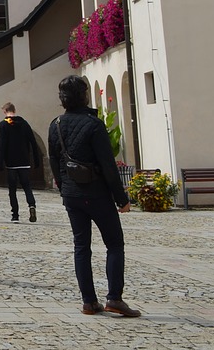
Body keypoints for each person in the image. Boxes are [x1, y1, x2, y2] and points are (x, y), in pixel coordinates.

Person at [48, 74, 141, 317]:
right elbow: (108, 166)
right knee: (114, 244)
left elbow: (54, 160)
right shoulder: (93, 125)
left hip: (71, 195)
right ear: (84, 96)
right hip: (96, 193)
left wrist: (63, 186)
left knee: (81, 246)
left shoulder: (55, 124)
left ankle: (89, 301)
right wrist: (121, 199)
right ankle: (114, 298)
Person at [0, 101, 42, 222]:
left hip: (11, 162)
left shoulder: (3, 125)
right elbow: (33, 141)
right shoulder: (24, 123)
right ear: (14, 110)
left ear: (5, 112)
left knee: (12, 190)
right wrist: (36, 160)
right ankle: (31, 205)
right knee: (27, 186)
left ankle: (15, 214)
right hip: (24, 160)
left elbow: (2, 145)